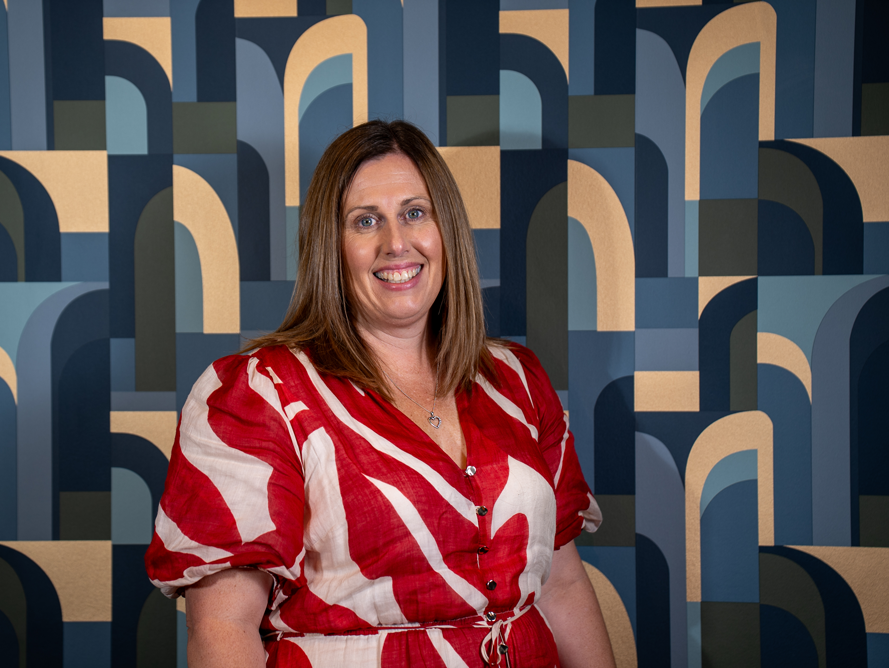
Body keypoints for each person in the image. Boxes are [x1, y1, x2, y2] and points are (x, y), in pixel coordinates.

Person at [145, 120, 616, 667]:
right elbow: (223, 629)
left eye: (415, 213)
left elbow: (560, 587)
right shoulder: (259, 394)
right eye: (366, 220)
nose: (397, 243)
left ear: (446, 230)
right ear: (331, 245)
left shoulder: (515, 380)